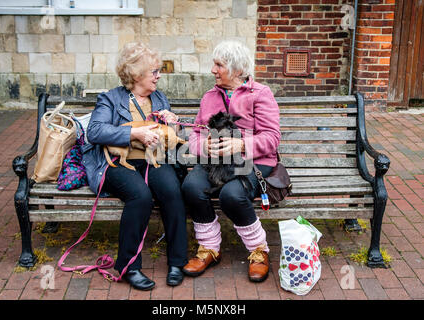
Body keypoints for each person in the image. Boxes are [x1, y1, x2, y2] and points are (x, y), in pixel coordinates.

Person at [83, 42, 187, 290]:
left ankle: (176, 262)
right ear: (138, 73)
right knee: (140, 196)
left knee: (172, 191)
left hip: (152, 159)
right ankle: (129, 267)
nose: (159, 76)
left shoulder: (159, 97)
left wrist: (173, 125)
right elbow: (95, 131)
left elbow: (168, 138)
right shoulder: (111, 98)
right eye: (154, 71)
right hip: (117, 162)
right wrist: (135, 134)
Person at [181, 40, 281, 282]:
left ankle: (259, 251)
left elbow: (272, 137)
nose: (213, 70)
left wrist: (243, 144)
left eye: (219, 65)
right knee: (191, 187)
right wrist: (202, 145)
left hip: (252, 161)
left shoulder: (260, 94)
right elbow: (195, 132)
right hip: (215, 163)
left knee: (231, 195)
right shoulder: (209, 97)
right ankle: (209, 248)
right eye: (214, 65)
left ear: (237, 70)